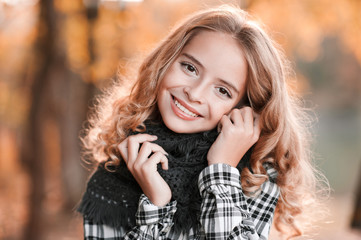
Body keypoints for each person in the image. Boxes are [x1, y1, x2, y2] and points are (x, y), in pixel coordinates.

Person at [78, 5, 325, 240]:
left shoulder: (255, 175)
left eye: (222, 91)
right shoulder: (114, 172)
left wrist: (221, 172)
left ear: (243, 110)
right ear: (164, 63)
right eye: (190, 68)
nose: (195, 94)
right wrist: (157, 204)